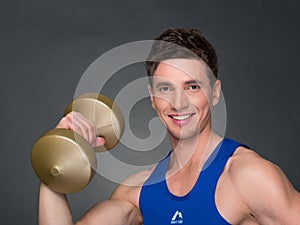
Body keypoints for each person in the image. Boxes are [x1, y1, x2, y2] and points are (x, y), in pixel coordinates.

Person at [39, 28, 300, 225]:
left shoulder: (248, 175)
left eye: (192, 86)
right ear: (152, 98)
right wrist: (58, 158)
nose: (178, 102)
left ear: (215, 93)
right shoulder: (137, 191)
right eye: (166, 89)